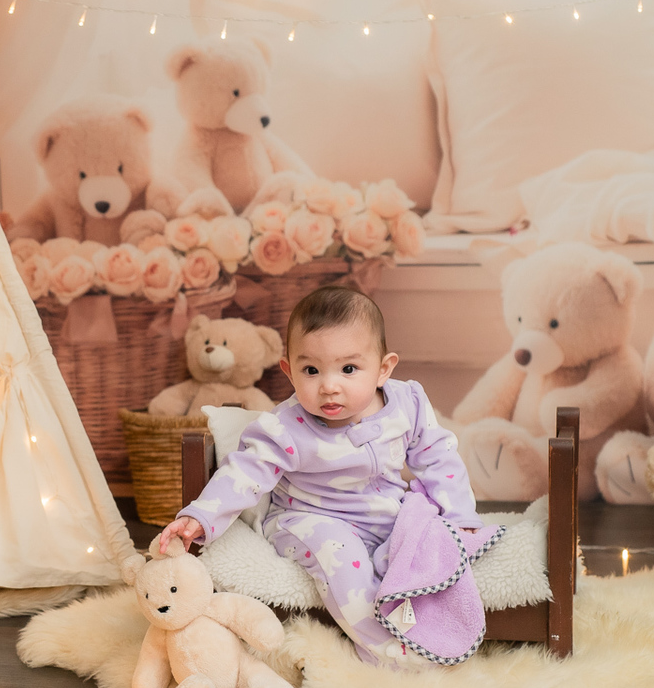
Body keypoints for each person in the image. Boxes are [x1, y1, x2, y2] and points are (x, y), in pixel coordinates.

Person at [159, 285, 483, 668]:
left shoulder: (407, 404)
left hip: (386, 514)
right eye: (311, 370)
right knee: (340, 558)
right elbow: (244, 471)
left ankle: (428, 625)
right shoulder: (286, 427)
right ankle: (385, 652)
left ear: (383, 369)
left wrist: (459, 515)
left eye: (349, 369)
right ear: (289, 371)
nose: (329, 386)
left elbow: (438, 458)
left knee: (426, 538)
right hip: (310, 519)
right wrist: (201, 516)